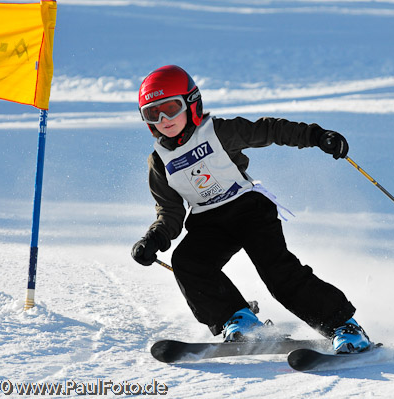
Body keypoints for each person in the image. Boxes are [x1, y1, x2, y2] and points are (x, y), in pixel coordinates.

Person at [131, 65, 372, 353]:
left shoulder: (218, 132)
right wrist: (154, 239)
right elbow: (169, 213)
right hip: (208, 223)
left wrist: (316, 136)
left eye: (171, 108)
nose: (164, 119)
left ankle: (344, 326)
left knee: (278, 273)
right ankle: (238, 319)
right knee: (187, 262)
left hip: (249, 210)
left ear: (192, 103)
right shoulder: (160, 161)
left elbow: (268, 130)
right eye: (152, 113)